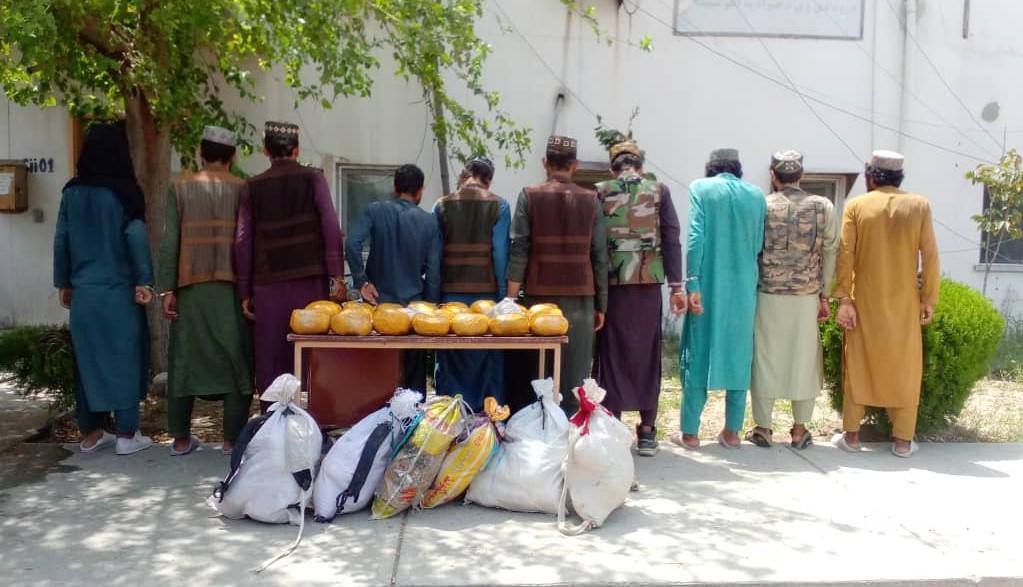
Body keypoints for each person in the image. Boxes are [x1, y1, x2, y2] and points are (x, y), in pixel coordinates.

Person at [53, 121, 155, 455]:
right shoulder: (126, 193)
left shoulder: (71, 192)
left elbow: (62, 240)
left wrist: (63, 283)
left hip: (84, 295)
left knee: (88, 363)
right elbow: (135, 236)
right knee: (123, 360)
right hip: (119, 294)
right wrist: (144, 280)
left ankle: (92, 433)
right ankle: (127, 434)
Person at [833, 150, 939, 458]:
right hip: (905, 303)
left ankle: (852, 436)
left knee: (858, 363)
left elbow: (845, 256)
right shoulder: (919, 205)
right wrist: (929, 298)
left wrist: (844, 298)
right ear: (899, 177)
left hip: (864, 301)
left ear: (869, 177)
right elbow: (930, 256)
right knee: (906, 367)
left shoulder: (856, 206)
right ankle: (903, 441)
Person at [234, 121, 346, 405]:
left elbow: (243, 241)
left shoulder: (252, 186)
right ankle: (315, 417)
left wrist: (245, 291)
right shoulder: (314, 178)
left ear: (264, 151)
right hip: (311, 282)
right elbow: (331, 226)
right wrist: (336, 276)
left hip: (267, 284)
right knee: (311, 349)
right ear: (296, 150)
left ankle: (273, 419)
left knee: (271, 353)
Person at [158, 126, 253, 456]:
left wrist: (166, 289)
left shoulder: (180, 187)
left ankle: (181, 440)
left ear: (201, 153)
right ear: (233, 156)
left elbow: (170, 241)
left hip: (190, 289)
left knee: (184, 360)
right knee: (236, 361)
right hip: (231, 289)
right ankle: (231, 441)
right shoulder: (244, 188)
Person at [592, 138, 685, 456]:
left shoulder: (600, 189)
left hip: (612, 287)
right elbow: (671, 236)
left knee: (612, 354)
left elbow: (594, 243)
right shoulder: (659, 191)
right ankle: (646, 432)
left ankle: (614, 424)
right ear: (641, 166)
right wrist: (676, 286)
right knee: (647, 356)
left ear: (612, 166)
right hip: (648, 286)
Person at [507, 135, 609, 414]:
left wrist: (511, 300)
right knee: (574, 371)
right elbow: (600, 255)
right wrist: (602, 305)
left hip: (538, 298)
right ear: (575, 165)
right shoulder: (591, 200)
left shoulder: (529, 195)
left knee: (537, 369)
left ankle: (535, 426)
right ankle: (569, 428)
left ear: (545, 163)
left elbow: (520, 250)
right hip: (581, 299)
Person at [674, 148, 766, 449]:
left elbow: (695, 237)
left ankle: (690, 433)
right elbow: (760, 243)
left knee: (699, 351)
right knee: (740, 354)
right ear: (738, 169)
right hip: (744, 288)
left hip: (708, 285)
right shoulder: (756, 196)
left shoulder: (702, 188)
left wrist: (692, 282)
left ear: (710, 168)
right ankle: (732, 432)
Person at [747, 151, 838, 450]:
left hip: (768, 293)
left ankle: (763, 427)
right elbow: (831, 252)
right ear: (801, 174)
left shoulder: (761, 205)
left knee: (765, 358)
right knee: (803, 359)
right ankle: (799, 429)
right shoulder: (822, 206)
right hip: (805, 295)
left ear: (773, 174)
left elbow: (751, 249)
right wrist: (825, 294)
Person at [346, 164, 442, 392]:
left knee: (379, 375)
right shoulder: (429, 221)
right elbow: (434, 271)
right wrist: (430, 306)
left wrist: (362, 281)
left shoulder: (374, 210)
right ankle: (412, 424)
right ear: (420, 190)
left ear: (394, 186)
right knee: (414, 382)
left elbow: (352, 243)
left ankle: (379, 421)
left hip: (378, 306)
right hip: (414, 309)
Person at [433, 157, 510, 409]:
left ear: (464, 175)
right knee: (487, 360)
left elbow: (434, 257)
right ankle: (487, 424)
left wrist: (434, 298)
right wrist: (502, 297)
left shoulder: (442, 205)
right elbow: (500, 255)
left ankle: (450, 419)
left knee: (451, 360)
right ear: (488, 179)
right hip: (486, 299)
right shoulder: (499, 205)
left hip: (450, 297)